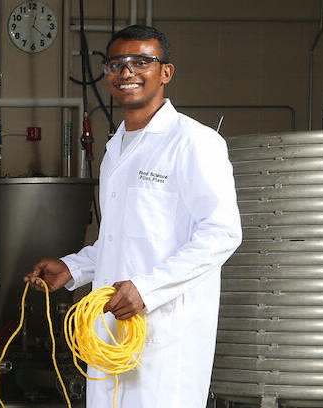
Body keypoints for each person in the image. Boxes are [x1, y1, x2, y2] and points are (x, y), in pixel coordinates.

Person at [25, 25, 242, 407]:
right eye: (116, 64)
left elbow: (221, 233)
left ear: (166, 72)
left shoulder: (195, 142)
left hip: (163, 331)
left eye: (141, 61)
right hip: (109, 330)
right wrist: (72, 269)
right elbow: (118, 239)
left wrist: (147, 289)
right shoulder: (115, 149)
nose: (127, 73)